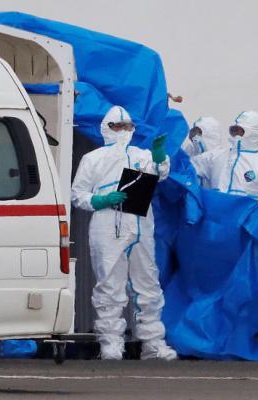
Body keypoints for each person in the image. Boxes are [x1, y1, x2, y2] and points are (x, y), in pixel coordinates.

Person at [71, 105, 177, 361]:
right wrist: (101, 199)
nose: (123, 131)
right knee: (109, 284)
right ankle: (110, 342)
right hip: (107, 223)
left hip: (140, 221)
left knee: (148, 284)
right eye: (117, 126)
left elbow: (161, 174)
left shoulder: (142, 155)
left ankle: (153, 342)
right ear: (106, 128)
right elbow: (78, 194)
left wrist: (160, 155)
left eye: (127, 126)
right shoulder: (93, 158)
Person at [192, 111, 258, 198]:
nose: (236, 134)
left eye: (240, 131)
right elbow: (186, 165)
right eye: (234, 130)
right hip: (215, 210)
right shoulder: (215, 156)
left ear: (253, 132)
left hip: (247, 211)